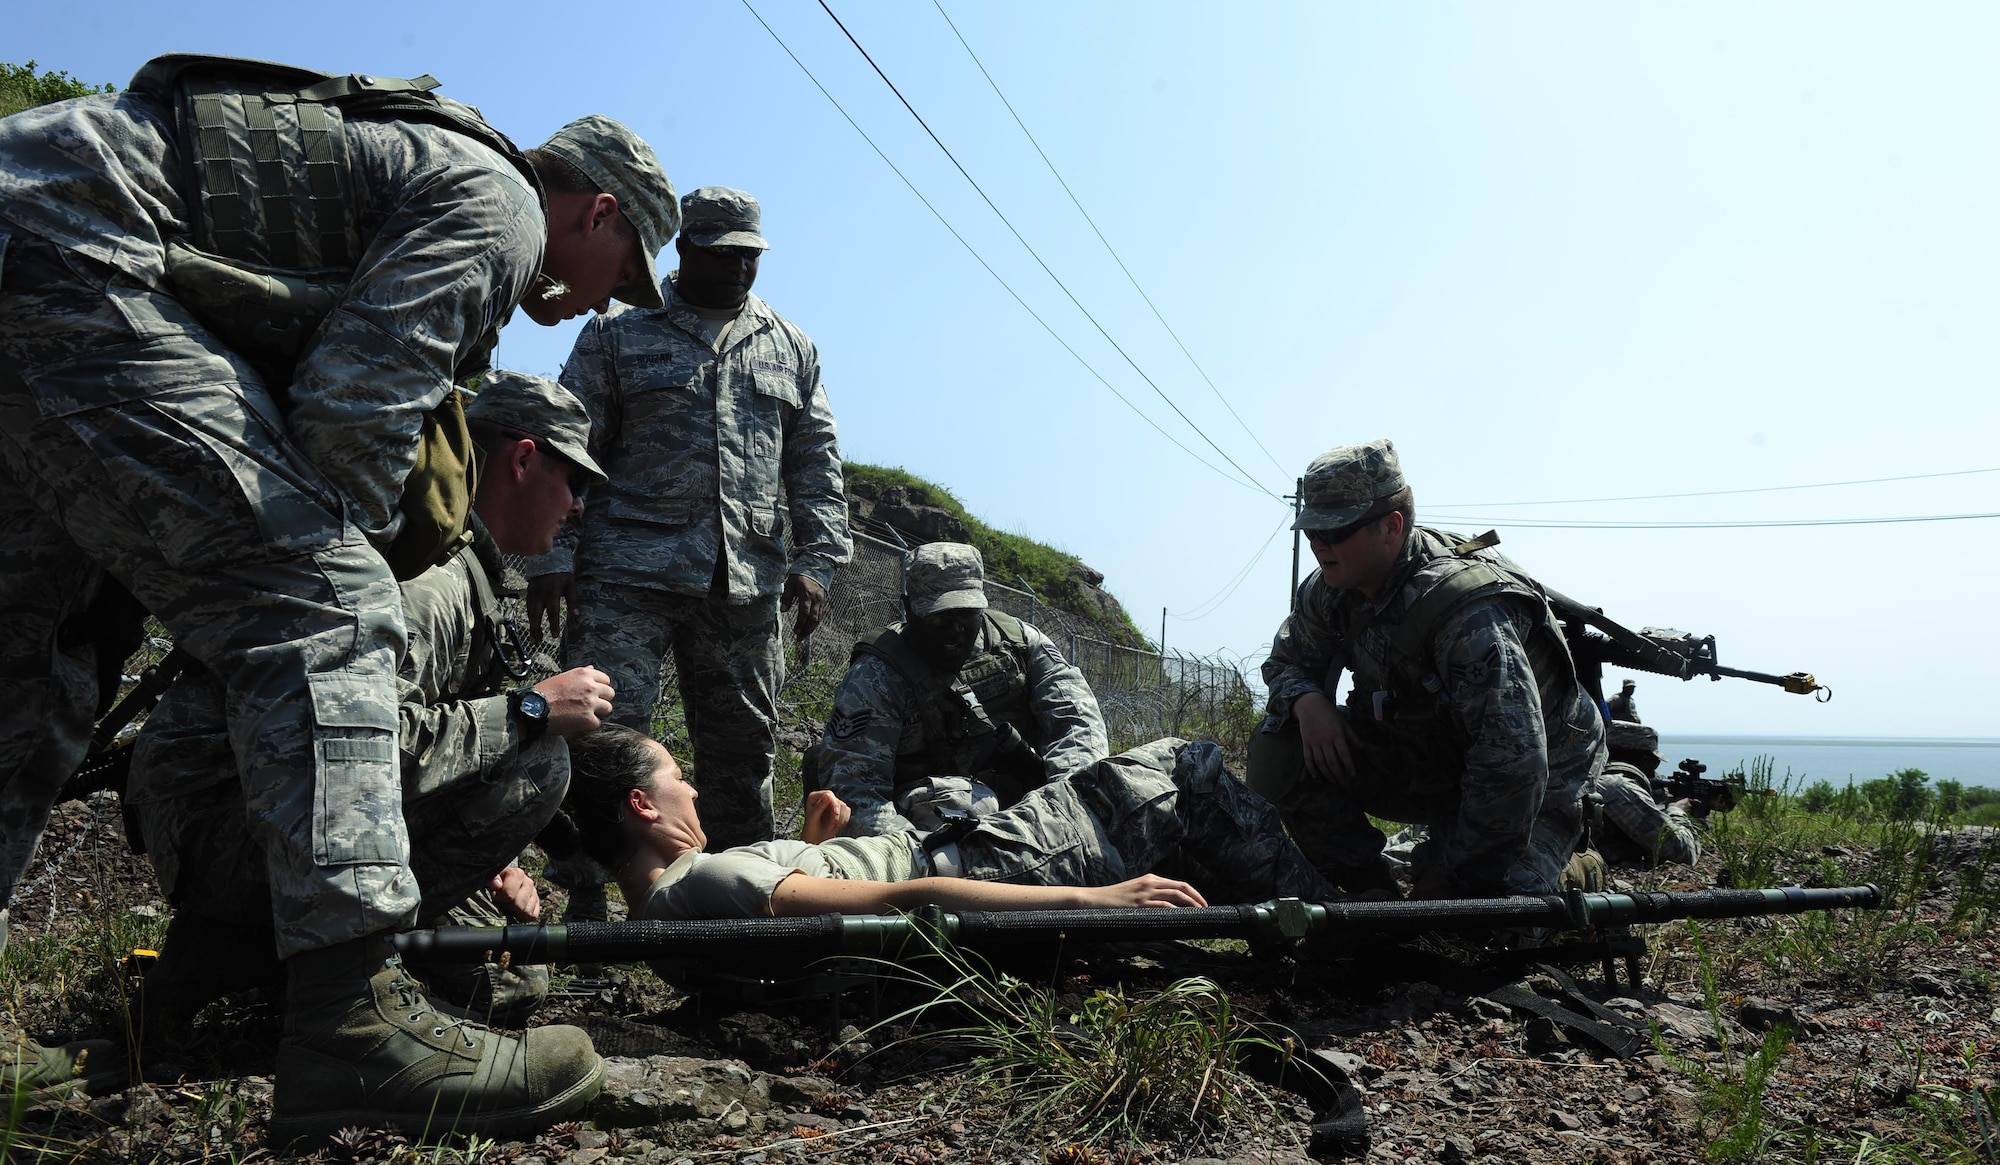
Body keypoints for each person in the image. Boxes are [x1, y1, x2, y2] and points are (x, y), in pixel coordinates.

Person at [0, 55, 676, 1134]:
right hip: (72, 263)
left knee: (32, 666)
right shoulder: (497, 207)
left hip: (35, 248)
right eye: (620, 275)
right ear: (597, 212)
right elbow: (351, 418)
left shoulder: (432, 175)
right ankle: (353, 1022)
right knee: (325, 597)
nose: (596, 305)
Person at [126, 371, 616, 1033]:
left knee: (510, 978)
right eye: (575, 482)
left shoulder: (457, 566)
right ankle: (264, 949)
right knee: (540, 761)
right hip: (228, 829)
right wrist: (530, 710)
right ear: (523, 459)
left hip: (260, 816)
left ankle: (244, 951)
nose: (578, 507)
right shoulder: (430, 582)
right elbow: (353, 750)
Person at [524, 185, 851, 853]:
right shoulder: (619, 331)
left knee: (743, 755)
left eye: (749, 256)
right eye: (720, 253)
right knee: (603, 742)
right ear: (684, 247)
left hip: (744, 588)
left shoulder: (791, 347)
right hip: (627, 579)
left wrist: (816, 560)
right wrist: (554, 554)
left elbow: (815, 462)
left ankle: (741, 905)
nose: (737, 267)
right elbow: (566, 445)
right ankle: (589, 906)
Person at [1247, 439, 1608, 899]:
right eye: (1311, 532)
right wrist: (1309, 702)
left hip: (1542, 775)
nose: (1319, 545)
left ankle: (1578, 864)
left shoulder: (1467, 616)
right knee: (1280, 749)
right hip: (1435, 752)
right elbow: (1286, 659)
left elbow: (1514, 766)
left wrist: (1450, 876)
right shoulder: (1332, 589)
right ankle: (1371, 897)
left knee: (1497, 915)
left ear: (1391, 527)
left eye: (1335, 532)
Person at [563, 726, 1331, 922]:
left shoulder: (667, 909)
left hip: (950, 849)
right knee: (1185, 771)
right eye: (675, 776)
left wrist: (816, 844)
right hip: (982, 867)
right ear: (640, 805)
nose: (691, 787)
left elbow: (807, 914)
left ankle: (1320, 907)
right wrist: (1095, 899)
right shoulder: (711, 876)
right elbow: (907, 901)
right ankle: (1345, 921)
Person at [814, 541, 1109, 839]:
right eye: (939, 616)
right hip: (928, 823)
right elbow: (856, 792)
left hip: (1029, 806)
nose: (955, 629)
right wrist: (919, 855)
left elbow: (1078, 724)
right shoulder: (876, 676)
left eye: (965, 614)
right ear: (909, 609)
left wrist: (1067, 810)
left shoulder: (1020, 644)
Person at [1591, 721, 1699, 867]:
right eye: (1655, 763)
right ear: (1646, 761)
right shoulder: (1618, 787)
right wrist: (1677, 811)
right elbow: (1682, 853)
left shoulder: (1592, 778)